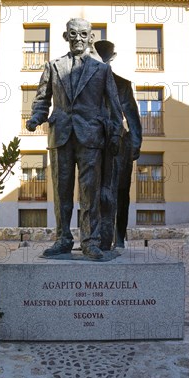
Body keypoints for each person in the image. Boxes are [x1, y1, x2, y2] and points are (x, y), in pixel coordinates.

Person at [26, 19, 123, 260]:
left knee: (89, 192)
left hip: (91, 136)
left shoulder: (101, 69)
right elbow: (41, 100)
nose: (78, 38)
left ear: (91, 38)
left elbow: (114, 106)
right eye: (73, 34)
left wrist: (114, 134)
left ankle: (90, 241)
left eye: (83, 34)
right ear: (65, 36)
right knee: (62, 191)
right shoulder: (53, 66)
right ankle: (63, 239)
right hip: (60, 135)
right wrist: (36, 118)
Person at [93, 40, 142, 249]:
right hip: (95, 144)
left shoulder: (122, 84)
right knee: (95, 192)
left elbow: (132, 118)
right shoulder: (89, 86)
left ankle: (119, 237)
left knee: (120, 192)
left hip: (120, 145)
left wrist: (134, 145)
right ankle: (97, 238)